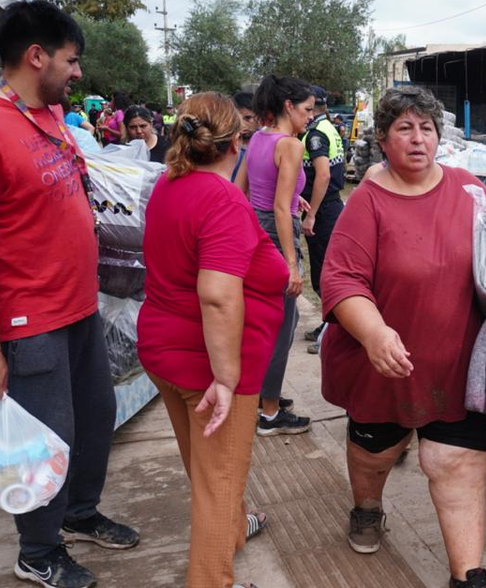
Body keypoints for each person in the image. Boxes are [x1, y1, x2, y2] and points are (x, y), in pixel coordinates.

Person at [0, 0, 139, 588]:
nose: (77, 73)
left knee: (96, 418)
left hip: (77, 304)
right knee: (45, 440)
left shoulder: (46, 115)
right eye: (71, 60)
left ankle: (78, 513)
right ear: (36, 56)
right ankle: (38, 550)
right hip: (30, 318)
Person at [320, 86, 486, 588]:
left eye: (427, 129)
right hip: (384, 367)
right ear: (383, 139)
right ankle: (367, 508)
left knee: (453, 464)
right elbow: (340, 280)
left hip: (457, 365)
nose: (418, 139)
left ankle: (468, 576)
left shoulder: (468, 191)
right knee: (375, 456)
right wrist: (373, 332)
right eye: (404, 129)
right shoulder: (367, 203)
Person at [138, 92, 284, 588]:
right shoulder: (219, 197)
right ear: (235, 143)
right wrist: (225, 378)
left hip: (165, 350)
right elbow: (219, 295)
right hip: (211, 365)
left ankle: (234, 530)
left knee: (207, 473)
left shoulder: (170, 184)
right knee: (218, 484)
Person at [233, 75, 313, 435]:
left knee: (264, 322)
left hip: (255, 231)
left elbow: (241, 191)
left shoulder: (258, 139)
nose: (310, 116)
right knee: (282, 326)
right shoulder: (291, 146)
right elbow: (281, 209)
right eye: (307, 109)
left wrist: (294, 200)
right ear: (288, 107)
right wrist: (292, 266)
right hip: (277, 236)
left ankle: (265, 395)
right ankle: (269, 414)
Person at [299, 85, 347, 352]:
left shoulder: (316, 134)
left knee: (323, 275)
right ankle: (328, 324)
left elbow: (323, 175)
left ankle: (334, 331)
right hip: (330, 205)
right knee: (324, 272)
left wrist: (311, 215)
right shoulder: (329, 127)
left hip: (323, 209)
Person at [231, 92, 257, 182]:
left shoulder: (265, 146)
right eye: (237, 119)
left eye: (248, 118)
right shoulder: (224, 148)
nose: (242, 124)